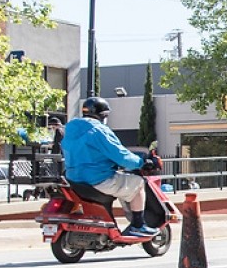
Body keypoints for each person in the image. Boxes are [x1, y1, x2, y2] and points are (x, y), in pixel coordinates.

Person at [61, 97, 160, 238]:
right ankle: (138, 225)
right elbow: (121, 156)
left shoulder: (71, 129)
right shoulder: (99, 130)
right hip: (97, 179)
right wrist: (142, 162)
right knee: (138, 183)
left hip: (74, 179)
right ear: (103, 115)